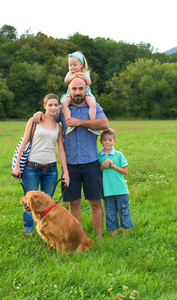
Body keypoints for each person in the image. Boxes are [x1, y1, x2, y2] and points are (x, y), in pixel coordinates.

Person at [33, 77, 109, 238]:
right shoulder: (63, 108)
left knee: (95, 202)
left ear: (85, 90)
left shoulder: (92, 106)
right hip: (70, 165)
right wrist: (39, 113)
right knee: (73, 202)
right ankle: (78, 236)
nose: (77, 92)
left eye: (81, 89)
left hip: (91, 163)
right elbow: (48, 116)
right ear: (69, 90)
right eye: (74, 89)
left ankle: (99, 237)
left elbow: (104, 124)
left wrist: (80, 122)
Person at [12, 93, 69, 233]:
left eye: (56, 105)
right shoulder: (34, 121)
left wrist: (65, 172)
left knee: (47, 204)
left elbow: (61, 151)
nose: (53, 107)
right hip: (31, 169)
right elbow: (23, 143)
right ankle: (28, 231)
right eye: (50, 105)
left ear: (59, 107)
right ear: (45, 106)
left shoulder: (58, 127)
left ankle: (45, 230)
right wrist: (17, 166)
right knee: (29, 204)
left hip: (51, 170)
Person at [97, 128, 134, 236]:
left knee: (124, 211)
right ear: (100, 141)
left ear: (114, 141)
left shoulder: (119, 155)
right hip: (107, 190)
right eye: (104, 140)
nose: (107, 142)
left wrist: (113, 166)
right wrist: (102, 166)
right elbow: (97, 172)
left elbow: (125, 171)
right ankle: (114, 234)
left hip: (120, 189)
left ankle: (125, 233)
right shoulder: (98, 156)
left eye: (110, 140)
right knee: (110, 213)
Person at [61, 51, 100, 136]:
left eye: (75, 65)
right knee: (64, 103)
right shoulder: (70, 73)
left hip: (86, 93)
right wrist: (73, 76)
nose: (72, 67)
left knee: (92, 104)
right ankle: (69, 124)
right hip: (71, 93)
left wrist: (83, 75)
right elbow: (66, 80)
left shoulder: (85, 73)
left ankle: (92, 125)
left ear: (81, 65)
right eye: (70, 65)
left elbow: (89, 83)